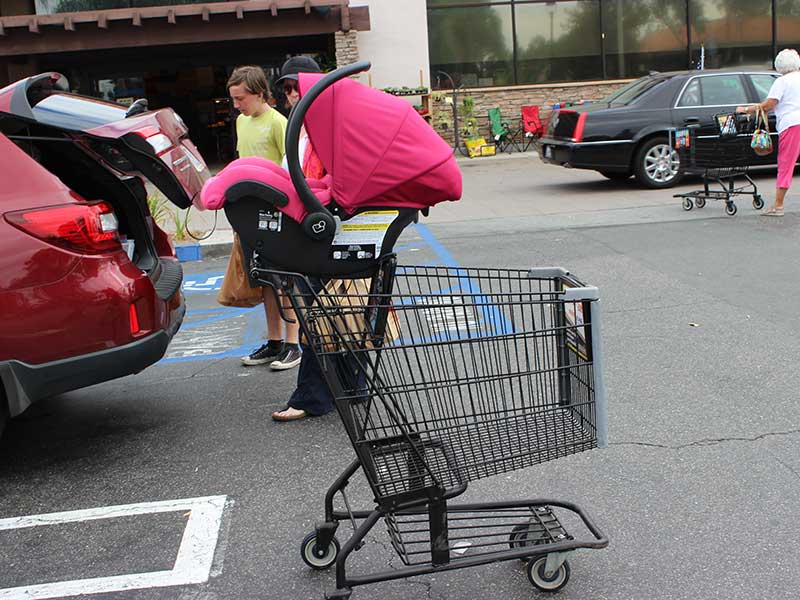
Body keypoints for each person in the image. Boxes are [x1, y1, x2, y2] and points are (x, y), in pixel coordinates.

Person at [270, 56, 334, 422]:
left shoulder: (324, 129)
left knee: (320, 316)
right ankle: (351, 387)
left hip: (324, 235)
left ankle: (311, 397)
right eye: (288, 89)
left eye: (296, 87)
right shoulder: (304, 132)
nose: (292, 95)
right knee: (339, 315)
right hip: (310, 232)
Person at [227, 65, 302, 369]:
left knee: (286, 279)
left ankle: (293, 343)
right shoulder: (241, 122)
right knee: (265, 279)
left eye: (240, 98)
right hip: (250, 212)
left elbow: (292, 166)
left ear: (259, 94)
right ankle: (274, 341)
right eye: (233, 99)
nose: (236, 105)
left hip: (277, 211)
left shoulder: (278, 122)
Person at [737, 48, 800, 217]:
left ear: (779, 65)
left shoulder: (782, 81)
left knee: (786, 164)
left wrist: (746, 109)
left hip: (792, 124)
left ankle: (778, 205)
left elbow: (768, 105)